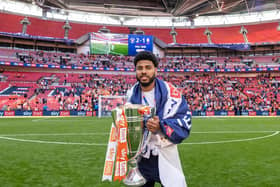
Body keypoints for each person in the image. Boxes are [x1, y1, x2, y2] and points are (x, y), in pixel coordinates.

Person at [126, 51, 192, 187]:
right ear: (136, 71)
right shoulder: (131, 93)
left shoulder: (171, 92)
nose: (144, 72)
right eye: (140, 68)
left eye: (148, 67)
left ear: (155, 70)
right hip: (141, 157)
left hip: (164, 153)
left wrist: (160, 126)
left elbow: (184, 120)